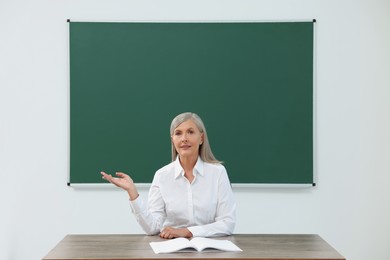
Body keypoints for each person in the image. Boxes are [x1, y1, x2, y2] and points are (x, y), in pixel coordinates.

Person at [101, 112, 236, 239]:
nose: (184, 139)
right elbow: (153, 227)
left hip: (211, 251)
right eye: (178, 133)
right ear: (172, 140)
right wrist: (132, 193)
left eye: (190, 132)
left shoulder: (218, 172)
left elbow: (227, 223)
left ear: (201, 138)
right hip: (173, 250)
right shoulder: (162, 176)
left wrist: (187, 232)